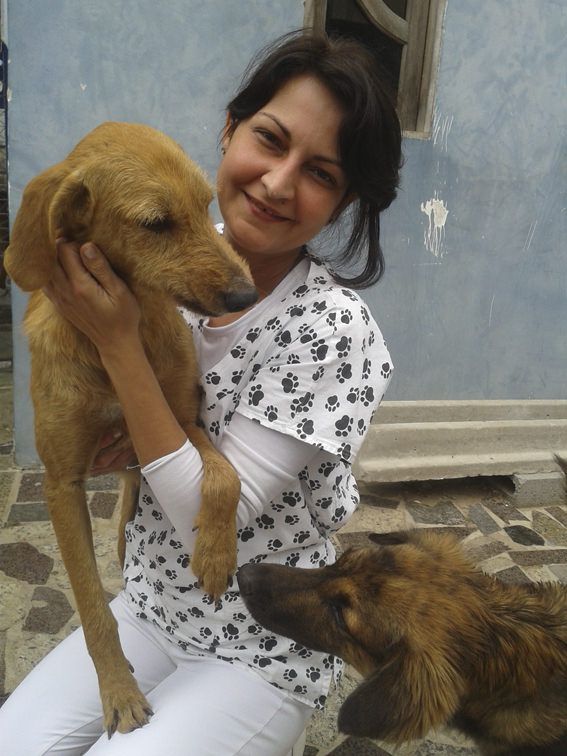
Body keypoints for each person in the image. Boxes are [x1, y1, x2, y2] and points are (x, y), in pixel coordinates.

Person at [0, 29, 402, 756]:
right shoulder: (147, 251)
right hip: (150, 611)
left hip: (261, 641)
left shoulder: (333, 329)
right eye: (269, 139)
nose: (276, 184)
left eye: (319, 173)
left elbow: (205, 514)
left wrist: (120, 347)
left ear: (343, 200)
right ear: (228, 129)